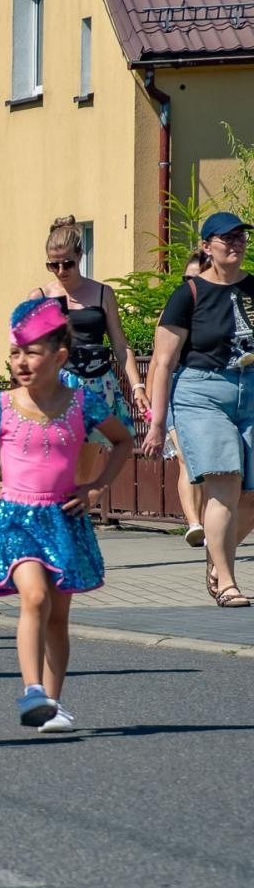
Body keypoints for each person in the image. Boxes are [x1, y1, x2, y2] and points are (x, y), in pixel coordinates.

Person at [0, 298, 134, 731]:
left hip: (64, 517)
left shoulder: (82, 403)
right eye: (15, 352)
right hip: (16, 518)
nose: (21, 362)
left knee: (57, 617)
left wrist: (97, 486)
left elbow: (124, 442)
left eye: (31, 352)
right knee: (33, 598)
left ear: (59, 356)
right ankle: (32, 689)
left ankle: (53, 700)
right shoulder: (1, 405)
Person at [141, 211, 254, 607]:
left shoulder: (253, 289)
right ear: (207, 247)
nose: (236, 244)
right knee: (225, 483)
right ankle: (227, 582)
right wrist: (157, 424)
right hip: (203, 393)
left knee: (252, 495)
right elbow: (164, 362)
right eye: (227, 239)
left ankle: (214, 556)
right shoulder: (188, 295)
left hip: (251, 391)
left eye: (241, 237)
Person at [28, 215, 146, 495]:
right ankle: (54, 509)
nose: (60, 270)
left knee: (84, 467)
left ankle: (74, 517)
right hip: (59, 383)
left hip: (96, 383)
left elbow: (120, 344)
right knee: (56, 458)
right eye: (52, 264)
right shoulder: (40, 296)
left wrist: (137, 386)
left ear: (80, 255)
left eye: (67, 263)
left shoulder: (102, 293)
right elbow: (28, 348)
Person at [164, 251, 212, 547]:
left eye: (196, 278)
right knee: (184, 459)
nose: (190, 284)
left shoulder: (215, 311)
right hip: (175, 389)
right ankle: (193, 523)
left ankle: (208, 522)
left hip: (206, 394)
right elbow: (161, 358)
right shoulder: (176, 307)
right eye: (186, 279)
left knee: (204, 465)